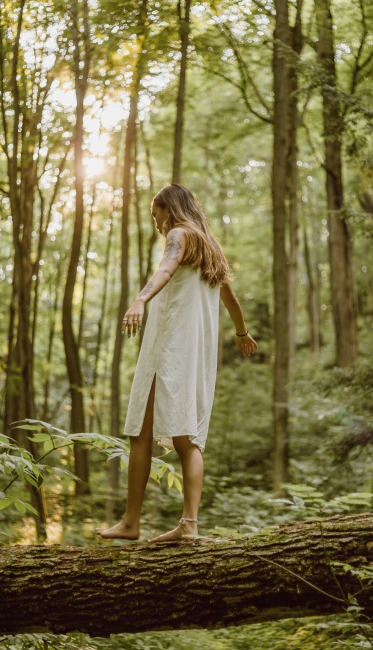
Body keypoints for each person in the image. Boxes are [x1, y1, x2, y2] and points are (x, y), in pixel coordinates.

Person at [96, 184, 257, 543]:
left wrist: (140, 299)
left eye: (157, 216)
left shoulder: (180, 235)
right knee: (189, 439)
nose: (157, 225)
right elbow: (229, 298)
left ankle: (131, 523)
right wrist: (241, 333)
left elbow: (167, 269)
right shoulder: (210, 246)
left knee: (140, 431)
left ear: (171, 209)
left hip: (167, 346)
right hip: (197, 352)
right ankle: (189, 525)